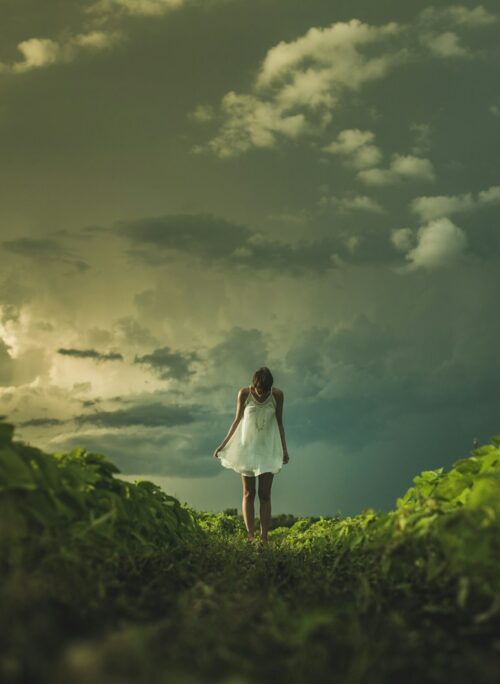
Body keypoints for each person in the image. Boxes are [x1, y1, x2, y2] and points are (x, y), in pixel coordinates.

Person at [213, 366, 289, 544]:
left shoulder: (277, 395)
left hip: (267, 450)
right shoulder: (244, 394)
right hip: (246, 450)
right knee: (249, 492)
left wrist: (284, 449)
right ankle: (250, 536)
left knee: (265, 494)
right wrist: (223, 445)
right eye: (260, 389)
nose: (262, 393)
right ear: (255, 385)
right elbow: (237, 420)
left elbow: (280, 424)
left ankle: (264, 537)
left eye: (266, 389)